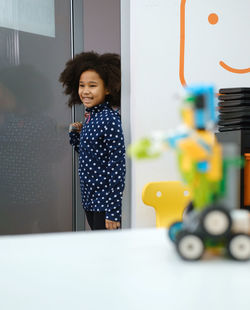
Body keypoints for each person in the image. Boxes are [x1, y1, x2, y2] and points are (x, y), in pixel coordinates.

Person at [59, 52, 126, 230]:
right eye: (82, 85)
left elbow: (117, 165)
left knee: (106, 253)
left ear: (108, 88)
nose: (85, 91)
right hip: (90, 198)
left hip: (104, 202)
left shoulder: (110, 119)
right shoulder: (90, 117)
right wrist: (75, 135)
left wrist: (113, 210)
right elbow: (90, 155)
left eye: (92, 85)